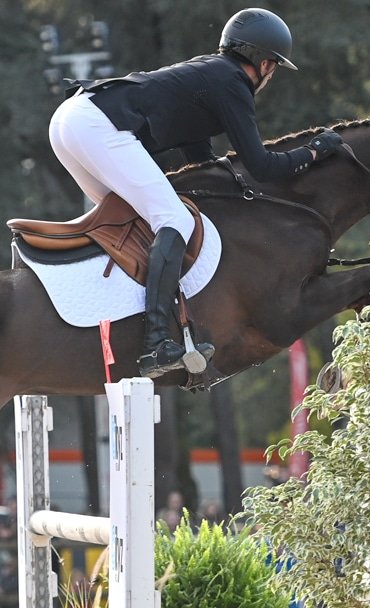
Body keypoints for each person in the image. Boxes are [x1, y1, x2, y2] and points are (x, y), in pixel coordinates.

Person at [49, 8, 344, 378]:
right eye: (274, 68)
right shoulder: (233, 82)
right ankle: (155, 343)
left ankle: (109, 317)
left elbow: (202, 162)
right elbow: (263, 166)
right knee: (172, 218)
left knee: (132, 223)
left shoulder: (211, 74)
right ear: (266, 63)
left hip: (71, 120)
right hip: (95, 124)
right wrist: (314, 152)